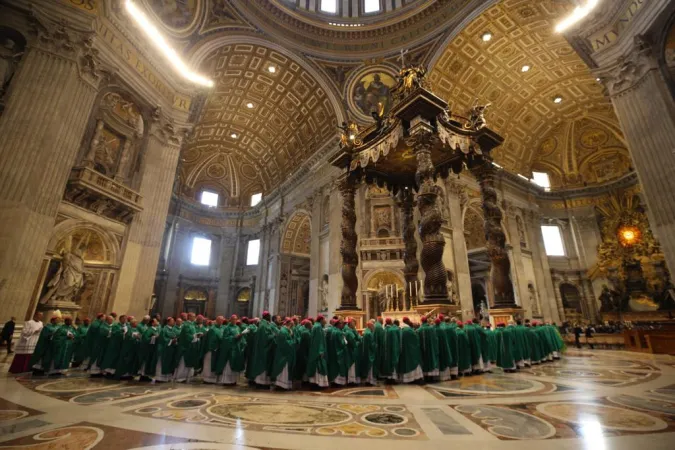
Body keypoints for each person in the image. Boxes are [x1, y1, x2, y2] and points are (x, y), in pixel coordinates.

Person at [271, 319, 296, 390]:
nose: (293, 326)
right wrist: (293, 342)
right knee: (283, 371)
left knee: (286, 371)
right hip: (283, 355)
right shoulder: (283, 331)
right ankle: (281, 385)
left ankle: (285, 385)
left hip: (286, 355)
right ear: (288, 324)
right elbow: (284, 343)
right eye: (292, 324)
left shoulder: (287, 331)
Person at [306, 315, 328, 388]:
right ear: (321, 320)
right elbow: (318, 340)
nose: (326, 320)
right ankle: (317, 383)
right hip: (317, 351)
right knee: (318, 366)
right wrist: (320, 350)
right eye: (325, 319)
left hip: (314, 350)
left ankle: (315, 383)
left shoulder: (317, 326)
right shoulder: (318, 327)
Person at [399, 317, 423, 383]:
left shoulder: (401, 329)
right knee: (414, 364)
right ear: (407, 321)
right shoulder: (409, 330)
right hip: (411, 351)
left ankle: (408, 379)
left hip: (404, 351)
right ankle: (414, 378)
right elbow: (416, 339)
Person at [154, 317, 178, 382]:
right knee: (162, 362)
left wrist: (175, 340)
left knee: (169, 363)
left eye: (173, 321)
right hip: (164, 349)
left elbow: (175, 336)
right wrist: (171, 340)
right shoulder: (164, 329)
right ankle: (160, 377)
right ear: (168, 322)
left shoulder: (173, 329)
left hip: (171, 349)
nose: (173, 322)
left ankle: (167, 377)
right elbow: (162, 339)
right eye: (172, 321)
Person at [202, 316, 224, 384]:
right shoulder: (212, 329)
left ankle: (214, 378)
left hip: (218, 349)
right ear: (217, 321)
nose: (221, 322)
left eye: (222, 320)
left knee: (215, 364)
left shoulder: (222, 328)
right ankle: (207, 379)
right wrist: (213, 347)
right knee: (209, 364)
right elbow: (210, 340)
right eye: (220, 320)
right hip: (212, 350)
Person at [418, 316, 439, 380]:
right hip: (431, 349)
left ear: (421, 321)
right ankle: (431, 376)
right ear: (427, 321)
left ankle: (425, 376)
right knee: (431, 359)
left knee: (424, 361)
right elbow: (435, 339)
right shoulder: (431, 328)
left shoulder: (419, 330)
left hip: (422, 350)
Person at [360, 320, 377, 385]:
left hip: (366, 352)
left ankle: (367, 380)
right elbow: (371, 344)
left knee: (367, 366)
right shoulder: (369, 333)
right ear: (370, 326)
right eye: (373, 326)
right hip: (370, 353)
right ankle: (369, 381)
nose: (374, 327)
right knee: (370, 367)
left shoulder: (366, 332)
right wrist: (375, 346)